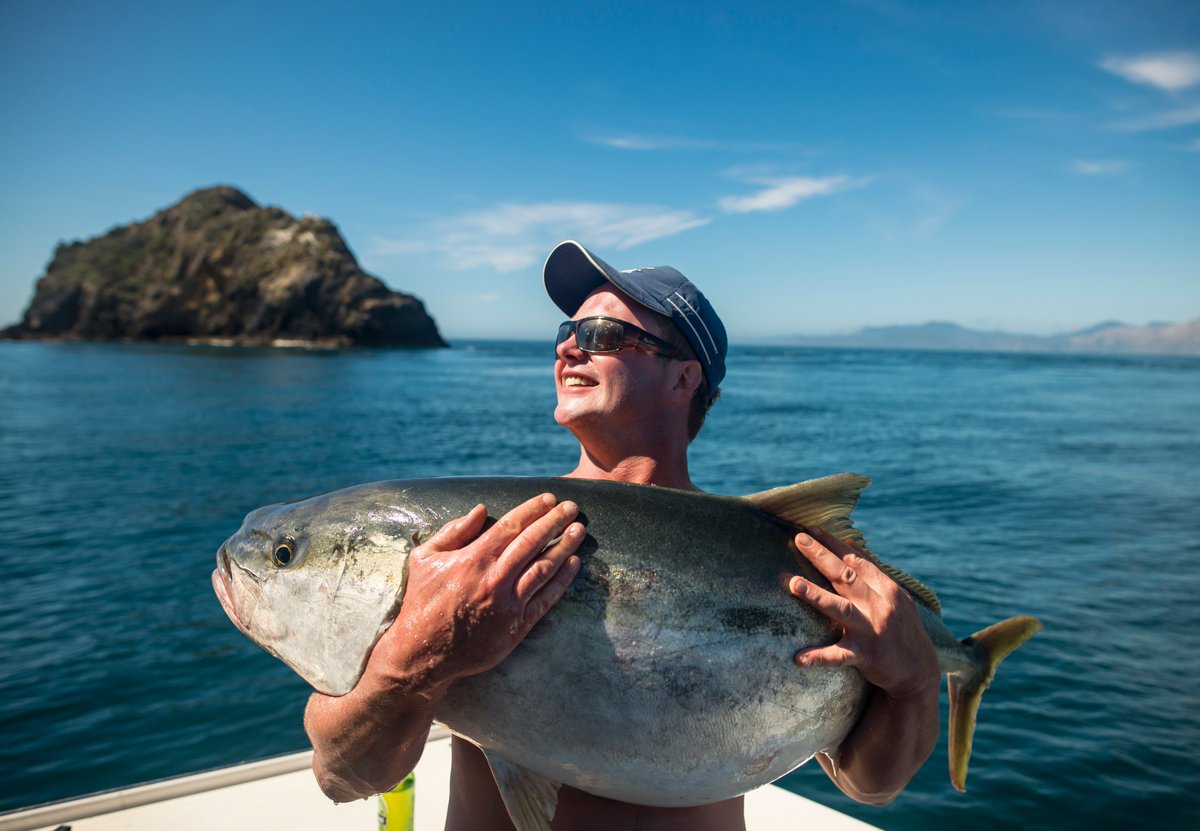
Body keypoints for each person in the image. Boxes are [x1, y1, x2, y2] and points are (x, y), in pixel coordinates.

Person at [303, 240, 941, 829]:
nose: (568, 348)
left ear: (684, 377)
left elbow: (870, 784)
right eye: (566, 332)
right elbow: (343, 775)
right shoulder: (484, 537)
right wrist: (415, 661)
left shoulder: (797, 559)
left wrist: (913, 681)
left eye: (601, 334)